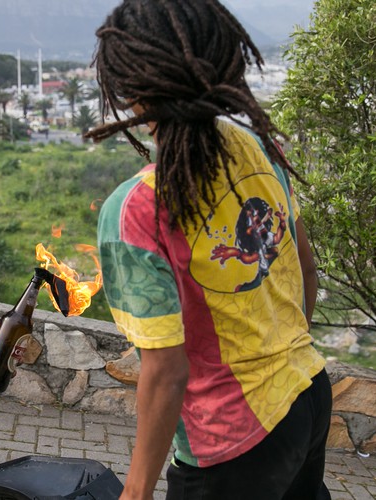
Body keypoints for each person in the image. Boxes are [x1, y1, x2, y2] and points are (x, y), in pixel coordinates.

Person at [84, 1, 332, 499]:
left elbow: (166, 371)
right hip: (307, 392)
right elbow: (305, 265)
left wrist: (135, 493)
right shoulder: (257, 145)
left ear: (131, 91)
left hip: (231, 442)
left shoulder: (138, 208)